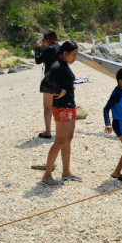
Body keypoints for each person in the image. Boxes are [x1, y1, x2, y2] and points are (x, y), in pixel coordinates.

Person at [39, 41, 81, 187]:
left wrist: (68, 88)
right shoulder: (57, 65)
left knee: (68, 139)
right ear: (65, 53)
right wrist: (59, 91)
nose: (75, 58)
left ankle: (66, 171)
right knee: (60, 140)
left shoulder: (64, 66)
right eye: (74, 55)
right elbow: (44, 84)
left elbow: (61, 81)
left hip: (70, 106)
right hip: (62, 108)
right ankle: (47, 175)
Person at [35, 31, 60, 139]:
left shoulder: (48, 49)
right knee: (60, 106)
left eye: (44, 39)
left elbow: (38, 60)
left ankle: (48, 131)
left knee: (48, 107)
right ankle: (61, 130)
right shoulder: (60, 48)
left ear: (48, 39)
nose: (44, 41)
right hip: (61, 79)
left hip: (50, 80)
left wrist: (37, 49)